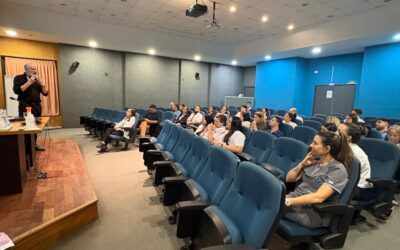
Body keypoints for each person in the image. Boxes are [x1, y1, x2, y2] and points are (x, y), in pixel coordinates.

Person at [284, 131, 352, 228]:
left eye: (315, 143)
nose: (310, 145)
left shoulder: (337, 170)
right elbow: (289, 179)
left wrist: (287, 201)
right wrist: (302, 164)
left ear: (327, 149)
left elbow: (318, 197)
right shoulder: (314, 161)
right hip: (294, 200)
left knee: (270, 208)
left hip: (311, 212)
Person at [13, 63, 49, 151]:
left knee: (35, 126)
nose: (34, 71)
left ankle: (34, 144)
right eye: (32, 69)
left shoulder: (37, 80)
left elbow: (45, 93)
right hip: (25, 106)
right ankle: (26, 147)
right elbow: (16, 91)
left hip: (36, 106)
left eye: (35, 69)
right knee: (26, 126)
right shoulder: (18, 78)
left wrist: (43, 84)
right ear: (25, 69)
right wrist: (29, 83)